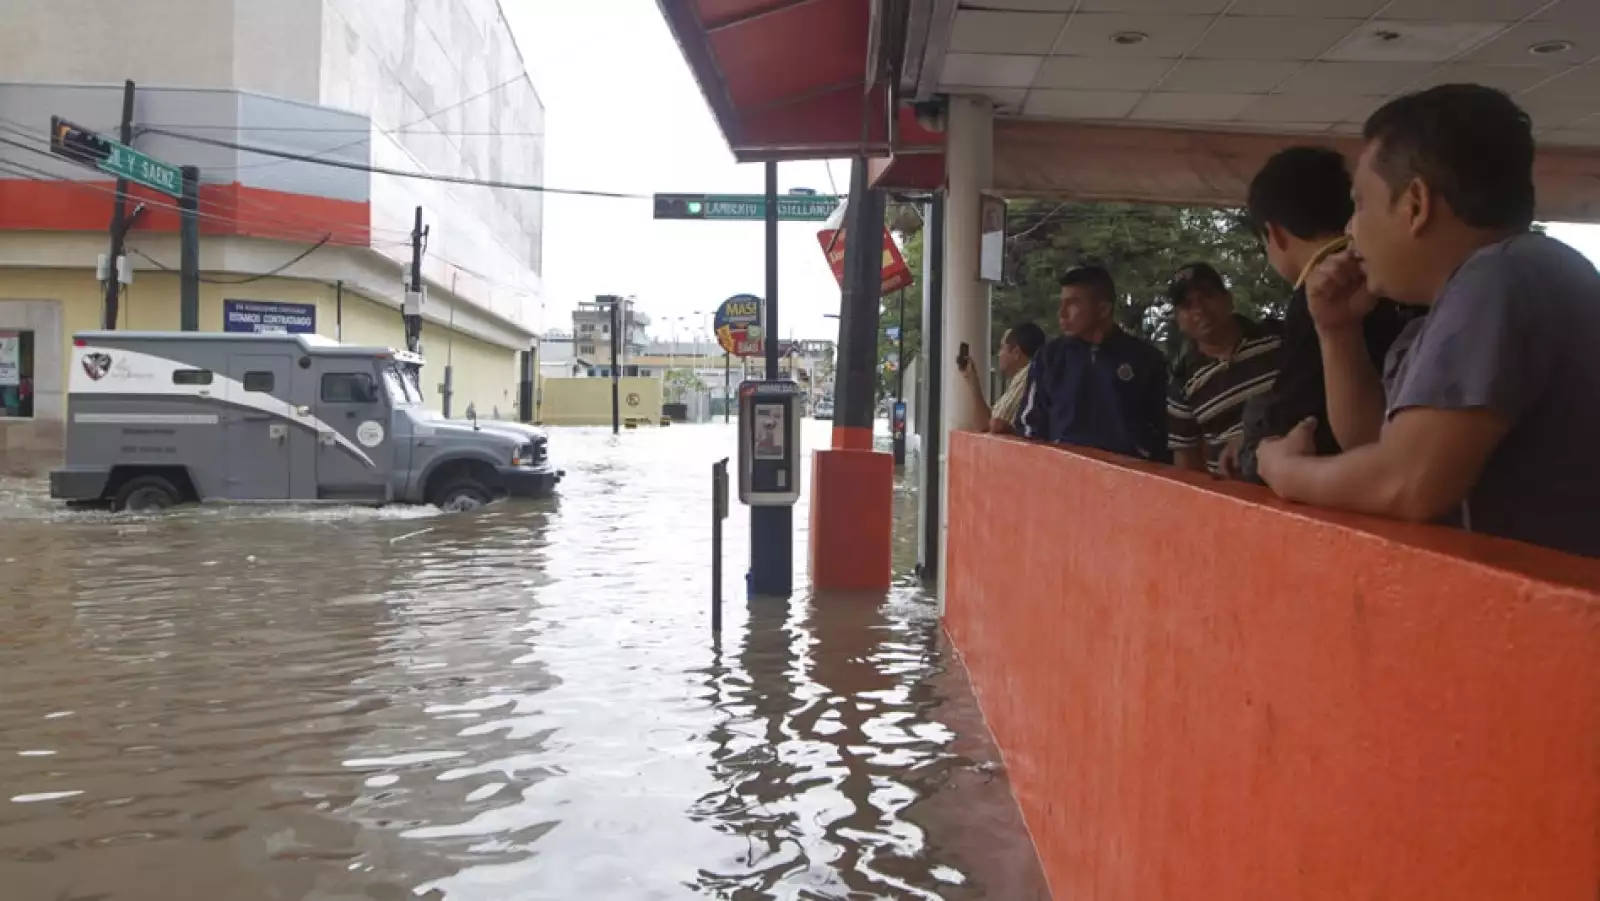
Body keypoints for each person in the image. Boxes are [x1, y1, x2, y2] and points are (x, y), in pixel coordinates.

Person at [1257, 83, 1600, 559]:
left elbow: (1406, 482)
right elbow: (1377, 444)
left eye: (1360, 204)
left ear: (1415, 205)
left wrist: (1284, 472)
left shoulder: (1499, 280)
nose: (1351, 228)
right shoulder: (1488, 287)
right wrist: (1337, 332)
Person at [1236, 145, 1416, 482]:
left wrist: (1260, 451)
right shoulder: (1396, 283)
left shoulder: (1323, 293)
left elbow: (1300, 423)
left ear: (1275, 234)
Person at [1018, 265, 1169, 463]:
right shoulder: (1049, 358)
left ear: (1103, 309)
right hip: (1061, 471)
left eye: (1073, 303)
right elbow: (1030, 425)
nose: (1062, 313)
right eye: (1061, 303)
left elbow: (1163, 431)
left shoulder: (1145, 359)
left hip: (1126, 474)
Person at [1164, 262, 1282, 476]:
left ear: (1228, 299)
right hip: (1232, 491)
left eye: (1207, 296)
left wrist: (1251, 437)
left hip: (1300, 476)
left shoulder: (1278, 340)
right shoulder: (1182, 383)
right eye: (1187, 305)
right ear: (1179, 320)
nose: (1200, 310)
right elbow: (1186, 466)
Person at [958, 322, 1046, 434]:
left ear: (1016, 353)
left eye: (1002, 347)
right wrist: (972, 380)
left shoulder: (1026, 378)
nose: (999, 354)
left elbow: (987, 426)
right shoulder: (1026, 378)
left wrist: (974, 383)